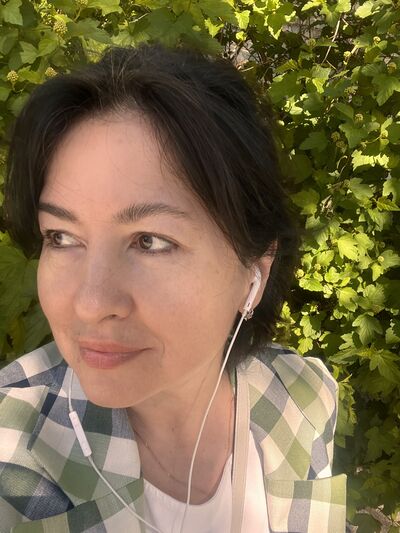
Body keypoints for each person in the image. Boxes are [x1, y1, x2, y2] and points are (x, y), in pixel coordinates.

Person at [0, 43, 346, 533]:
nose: (91, 303)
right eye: (61, 237)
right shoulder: (14, 450)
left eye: (150, 241)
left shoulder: (302, 397)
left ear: (255, 272)